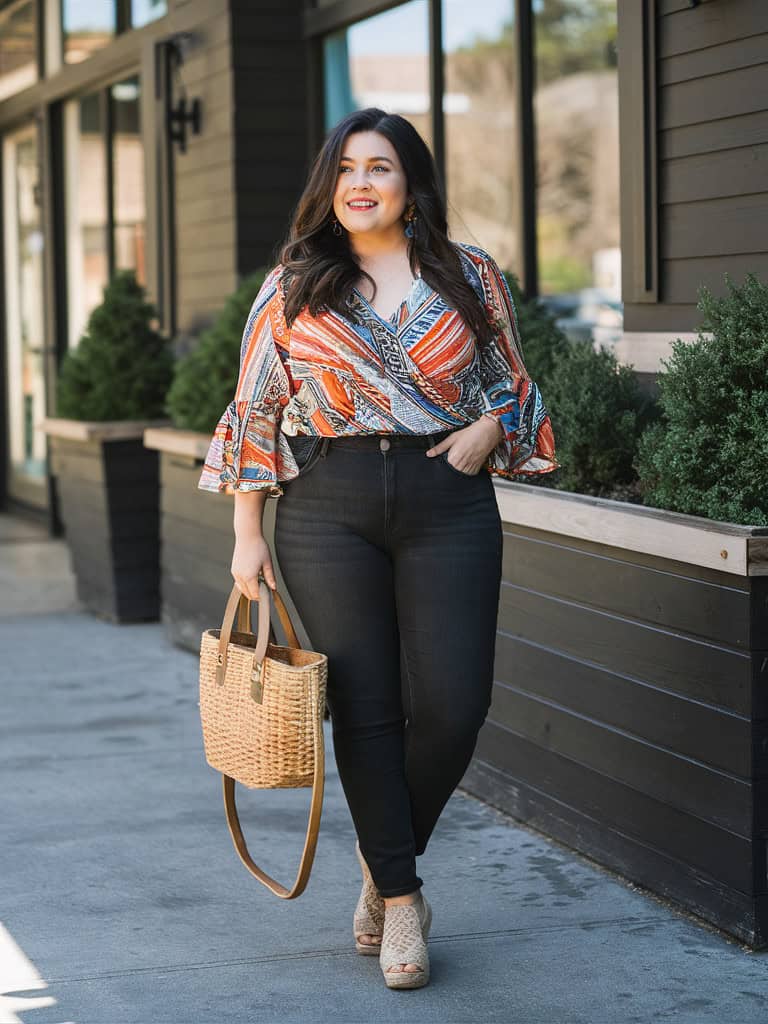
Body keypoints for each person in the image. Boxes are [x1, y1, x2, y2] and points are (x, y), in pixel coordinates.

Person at [198, 107, 559, 990]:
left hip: (449, 499)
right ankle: (399, 899)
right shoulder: (293, 283)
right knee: (362, 708)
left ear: (411, 184)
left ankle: (381, 857)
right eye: (348, 167)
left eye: (382, 167)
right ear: (330, 185)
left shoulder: (470, 275)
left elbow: (514, 385)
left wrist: (489, 427)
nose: (362, 182)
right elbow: (256, 410)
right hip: (329, 504)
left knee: (453, 704)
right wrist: (247, 536)